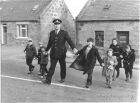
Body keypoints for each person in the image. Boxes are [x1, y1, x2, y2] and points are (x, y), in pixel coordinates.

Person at [42, 18, 78, 84]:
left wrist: (74, 48)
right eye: (55, 24)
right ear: (54, 25)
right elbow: (50, 43)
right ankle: (48, 80)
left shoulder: (64, 33)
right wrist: (46, 50)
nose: (56, 25)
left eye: (58, 24)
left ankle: (62, 78)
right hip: (53, 53)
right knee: (52, 67)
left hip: (62, 53)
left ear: (60, 25)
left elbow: (69, 41)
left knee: (63, 66)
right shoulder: (52, 33)